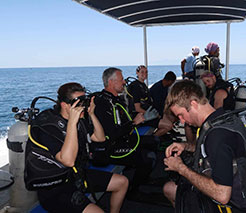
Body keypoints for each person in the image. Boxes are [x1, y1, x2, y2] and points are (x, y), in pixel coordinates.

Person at [36, 82, 128, 213]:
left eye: (84, 102)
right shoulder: (49, 127)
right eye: (78, 103)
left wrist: (91, 114)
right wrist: (72, 123)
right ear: (65, 105)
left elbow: (100, 138)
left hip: (77, 176)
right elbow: (68, 161)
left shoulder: (81, 120)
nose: (82, 107)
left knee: (122, 182)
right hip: (56, 188)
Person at [162, 80, 246, 212]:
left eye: (181, 115)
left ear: (193, 104)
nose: (182, 121)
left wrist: (180, 168)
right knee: (169, 189)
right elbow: (207, 149)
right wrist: (186, 146)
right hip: (240, 192)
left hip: (229, 206)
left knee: (172, 189)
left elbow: (222, 195)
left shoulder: (217, 137)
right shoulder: (221, 118)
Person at [94, 67, 156, 194]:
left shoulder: (117, 100)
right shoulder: (102, 104)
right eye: (121, 79)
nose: (124, 82)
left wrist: (138, 121)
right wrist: (134, 123)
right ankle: (133, 190)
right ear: (111, 82)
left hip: (123, 139)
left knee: (154, 141)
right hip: (110, 148)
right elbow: (112, 133)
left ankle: (141, 176)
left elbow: (122, 125)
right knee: (148, 157)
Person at [127, 65, 173, 137]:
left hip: (148, 114)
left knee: (169, 120)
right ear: (137, 73)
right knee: (168, 126)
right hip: (142, 118)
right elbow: (137, 108)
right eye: (142, 72)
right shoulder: (136, 87)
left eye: (146, 72)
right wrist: (151, 115)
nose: (144, 74)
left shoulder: (143, 85)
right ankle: (151, 139)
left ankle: (152, 139)